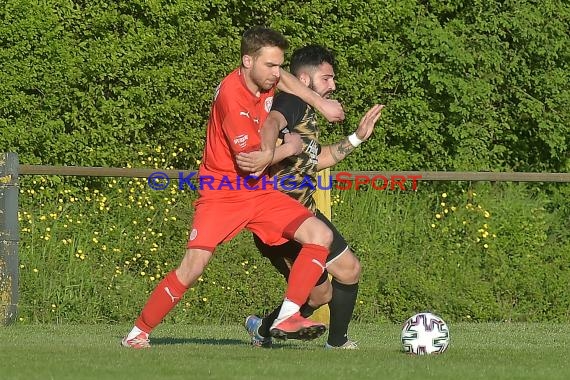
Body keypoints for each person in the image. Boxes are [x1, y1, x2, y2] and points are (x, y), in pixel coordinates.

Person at [121, 27, 346, 349]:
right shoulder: (232, 97)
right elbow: (250, 163)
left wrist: (319, 104)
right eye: (270, 66)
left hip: (260, 192)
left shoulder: (266, 77)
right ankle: (138, 333)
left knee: (319, 236)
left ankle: (287, 315)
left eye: (278, 65)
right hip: (223, 192)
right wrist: (288, 148)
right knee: (193, 267)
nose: (276, 73)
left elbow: (284, 80)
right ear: (246, 61)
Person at [236, 44, 384, 349]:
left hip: (306, 214)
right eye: (327, 78)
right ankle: (263, 329)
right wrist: (267, 153)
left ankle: (336, 343)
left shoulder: (306, 113)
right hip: (280, 222)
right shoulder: (290, 102)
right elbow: (272, 122)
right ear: (305, 79)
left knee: (349, 270)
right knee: (319, 295)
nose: (333, 85)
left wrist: (357, 138)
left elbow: (319, 159)